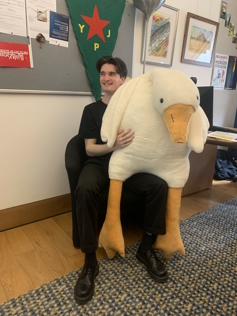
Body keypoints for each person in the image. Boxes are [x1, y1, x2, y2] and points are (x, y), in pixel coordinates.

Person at [74, 56, 168, 305]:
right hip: (100, 164)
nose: (106, 78)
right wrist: (112, 146)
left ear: (123, 80)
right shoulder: (91, 111)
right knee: (83, 189)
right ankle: (90, 262)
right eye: (103, 73)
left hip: (129, 167)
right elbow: (89, 150)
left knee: (159, 185)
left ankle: (146, 248)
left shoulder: (134, 108)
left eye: (112, 74)